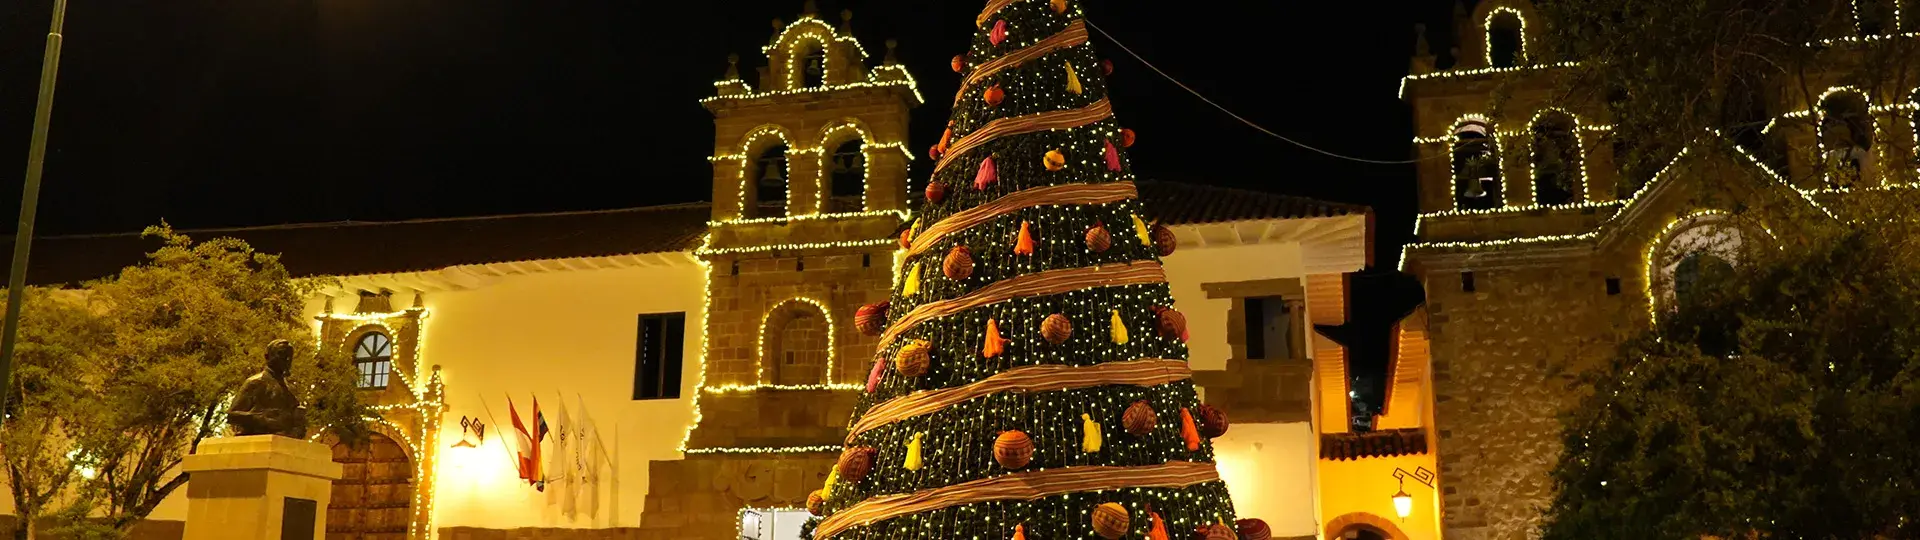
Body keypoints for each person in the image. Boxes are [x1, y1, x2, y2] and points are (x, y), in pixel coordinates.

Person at [227, 339, 308, 438]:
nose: (286, 359)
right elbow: (232, 415)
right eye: (281, 354)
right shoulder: (255, 382)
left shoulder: (291, 389)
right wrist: (261, 419)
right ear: (268, 356)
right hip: (258, 439)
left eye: (289, 356)